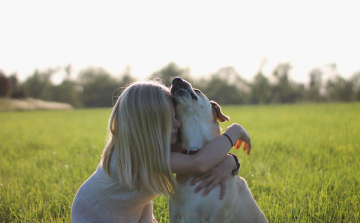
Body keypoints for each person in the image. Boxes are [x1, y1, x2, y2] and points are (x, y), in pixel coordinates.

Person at [71, 80, 251, 223]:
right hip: (95, 214)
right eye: (170, 118)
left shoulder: (157, 145)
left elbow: (206, 155)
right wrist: (234, 131)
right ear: (149, 126)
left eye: (176, 116)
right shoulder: (140, 155)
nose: (177, 124)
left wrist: (231, 161)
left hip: (133, 211)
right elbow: (199, 163)